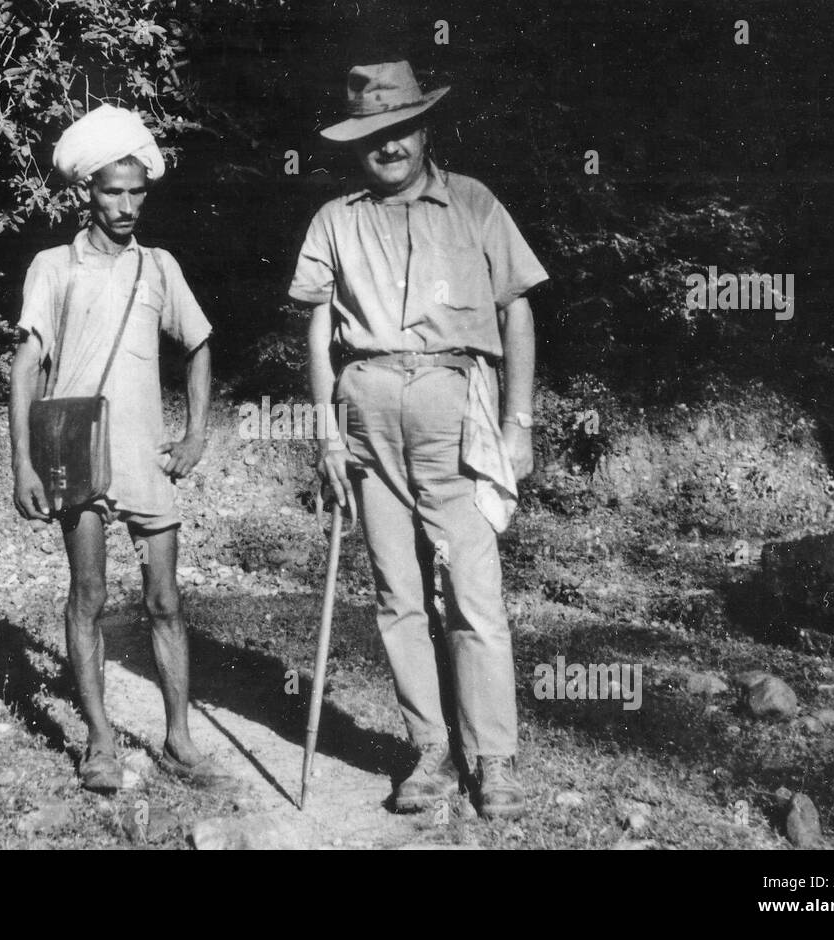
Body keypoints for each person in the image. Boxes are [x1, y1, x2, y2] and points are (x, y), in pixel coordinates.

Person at [290, 62, 549, 819]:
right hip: (367, 411)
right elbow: (316, 325)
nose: (390, 145)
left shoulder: (473, 203)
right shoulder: (336, 219)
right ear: (355, 146)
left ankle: (493, 756)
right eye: (373, 135)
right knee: (398, 592)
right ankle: (430, 748)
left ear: (426, 127)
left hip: (453, 408)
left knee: (472, 587)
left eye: (401, 127)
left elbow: (518, 312)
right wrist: (327, 437)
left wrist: (520, 424)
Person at [9, 104, 227, 792]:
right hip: (75, 454)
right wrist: (21, 462)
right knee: (90, 594)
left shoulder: (159, 266)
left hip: (145, 459)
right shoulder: (53, 265)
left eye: (137, 192)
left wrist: (194, 434)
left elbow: (198, 343)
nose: (127, 205)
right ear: (86, 191)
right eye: (112, 190)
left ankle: (179, 737)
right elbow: (25, 366)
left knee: (165, 600)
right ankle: (100, 740)